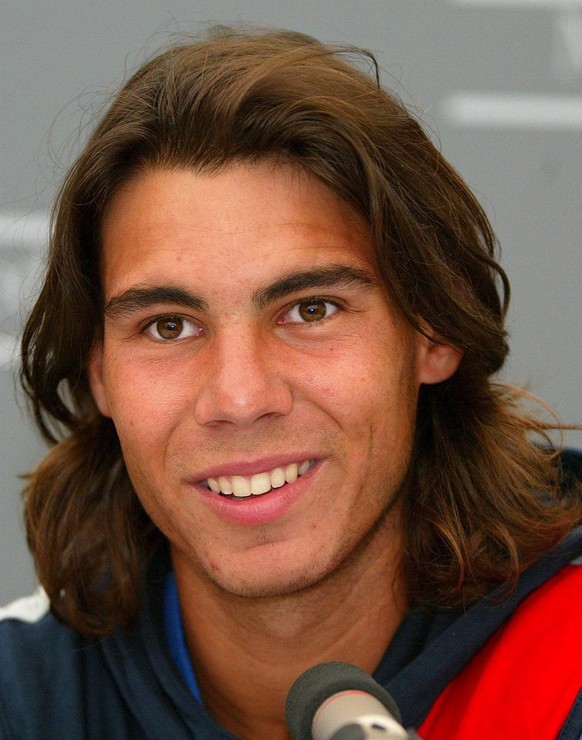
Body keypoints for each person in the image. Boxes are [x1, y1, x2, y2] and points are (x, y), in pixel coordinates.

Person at [1, 26, 581, 739]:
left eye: (310, 310)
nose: (241, 399)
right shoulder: (24, 698)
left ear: (433, 327)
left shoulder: (566, 660)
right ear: (99, 374)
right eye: (168, 326)